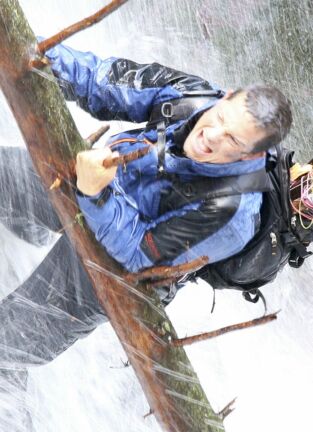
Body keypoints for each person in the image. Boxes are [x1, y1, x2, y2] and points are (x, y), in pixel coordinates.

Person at [0, 43, 292, 370]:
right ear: (225, 97)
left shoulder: (232, 212)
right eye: (221, 118)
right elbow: (104, 80)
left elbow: (140, 254)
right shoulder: (189, 95)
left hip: (114, 272)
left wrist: (97, 194)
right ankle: (29, 228)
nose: (211, 135)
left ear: (250, 155)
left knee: (9, 344)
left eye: (233, 140)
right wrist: (38, 58)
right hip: (94, 184)